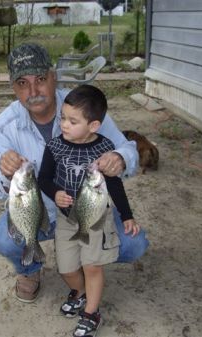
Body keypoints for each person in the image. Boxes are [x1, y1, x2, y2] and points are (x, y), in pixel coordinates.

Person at [0, 43, 149, 304]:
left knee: (134, 244)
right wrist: (5, 174)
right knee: (6, 241)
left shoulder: (82, 106)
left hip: (87, 210)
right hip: (36, 213)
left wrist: (120, 158)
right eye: (22, 82)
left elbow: (127, 149)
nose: (33, 91)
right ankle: (30, 270)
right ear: (13, 87)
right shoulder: (4, 126)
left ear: (54, 77)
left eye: (40, 79)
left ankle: (86, 259)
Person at [37, 84, 139, 336]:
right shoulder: (54, 146)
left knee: (92, 265)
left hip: (95, 218)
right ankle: (80, 293)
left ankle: (91, 313)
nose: (64, 125)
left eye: (72, 121)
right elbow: (43, 179)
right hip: (66, 219)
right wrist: (54, 193)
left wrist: (127, 215)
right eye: (63, 118)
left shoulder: (104, 150)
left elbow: (114, 185)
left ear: (93, 126)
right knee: (66, 267)